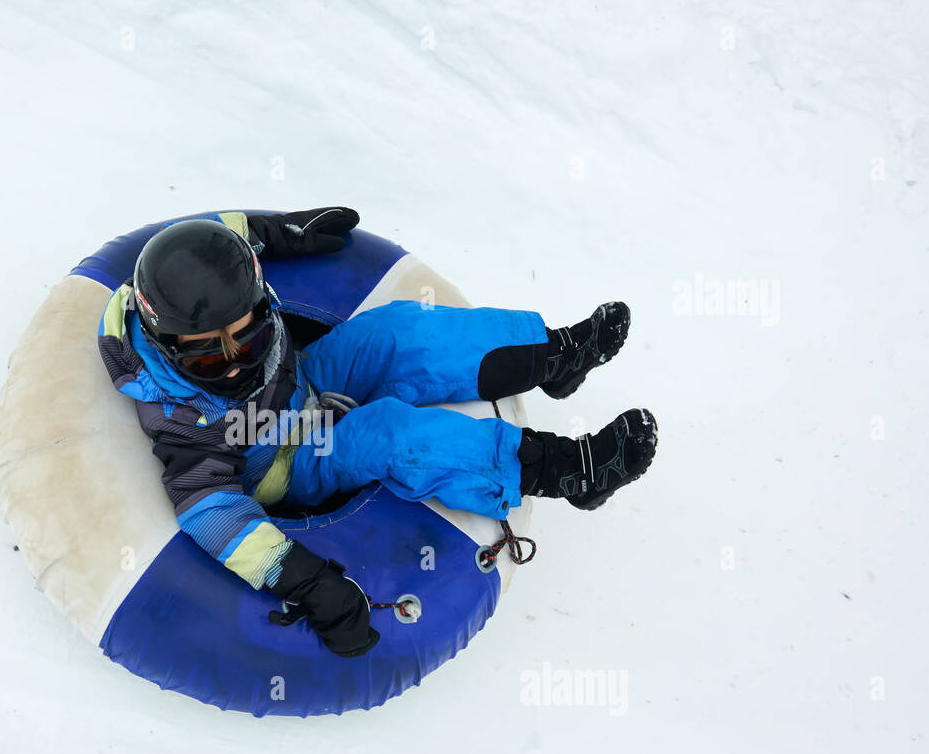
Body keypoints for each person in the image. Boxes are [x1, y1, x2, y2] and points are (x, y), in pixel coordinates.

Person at [95, 209, 657, 658]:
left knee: (394, 331)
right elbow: (209, 510)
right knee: (382, 433)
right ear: (167, 343)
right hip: (285, 459)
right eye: (209, 355)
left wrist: (280, 231)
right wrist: (305, 581)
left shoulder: (198, 286)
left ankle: (553, 358)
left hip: (300, 379)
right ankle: (571, 471)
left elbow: (226, 237)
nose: (235, 362)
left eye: (245, 338)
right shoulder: (176, 413)